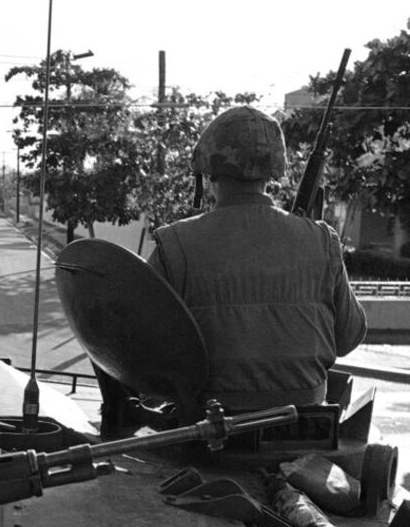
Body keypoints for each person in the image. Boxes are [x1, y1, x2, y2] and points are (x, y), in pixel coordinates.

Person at [146, 105, 367, 413]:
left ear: (208, 174)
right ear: (273, 172)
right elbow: (349, 336)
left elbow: (143, 350)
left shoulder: (174, 243)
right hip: (305, 424)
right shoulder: (322, 239)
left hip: (205, 427)